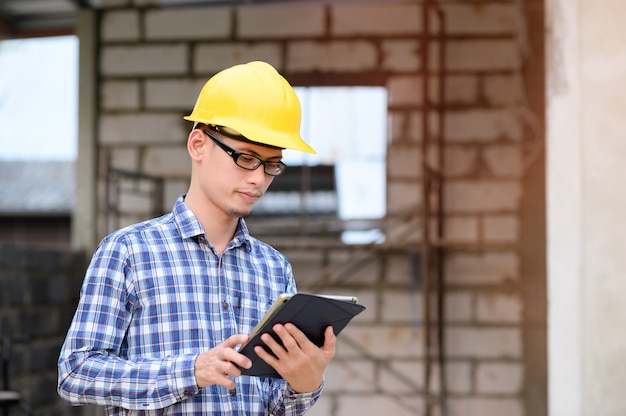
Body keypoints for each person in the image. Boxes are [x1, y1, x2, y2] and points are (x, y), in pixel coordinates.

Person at [57, 61, 336, 416]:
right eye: (246, 157)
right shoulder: (128, 252)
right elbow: (75, 373)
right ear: (199, 144)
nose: (259, 179)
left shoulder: (274, 268)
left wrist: (305, 383)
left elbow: (274, 407)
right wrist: (189, 371)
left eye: (272, 164)